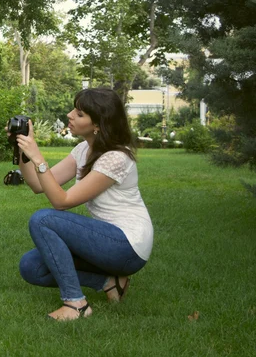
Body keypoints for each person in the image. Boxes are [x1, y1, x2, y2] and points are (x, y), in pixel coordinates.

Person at [14, 88, 153, 321]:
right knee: (31, 267)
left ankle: (76, 304)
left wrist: (38, 157)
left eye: (79, 114)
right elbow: (38, 185)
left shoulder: (117, 158)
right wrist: (22, 150)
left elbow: (61, 202)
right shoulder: (83, 150)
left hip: (127, 246)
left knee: (43, 219)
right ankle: (110, 283)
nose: (70, 115)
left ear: (98, 124)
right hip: (104, 242)